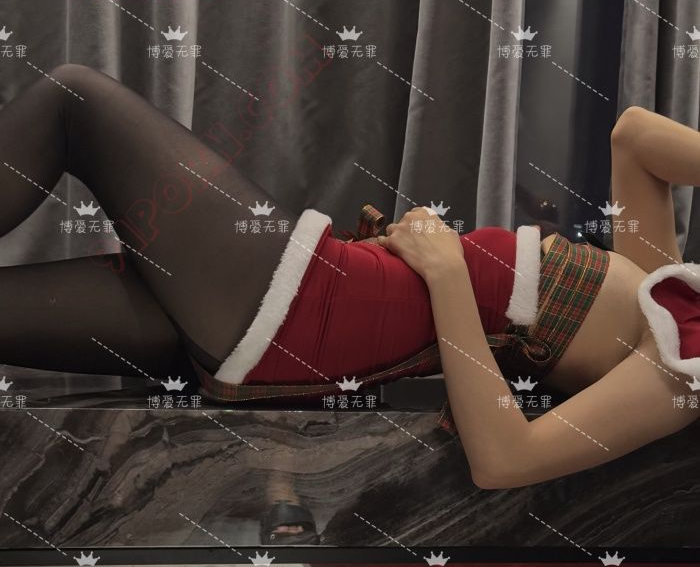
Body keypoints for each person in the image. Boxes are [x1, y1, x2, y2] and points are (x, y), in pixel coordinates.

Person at [0, 64, 697, 490]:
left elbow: (507, 460)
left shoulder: (688, 365)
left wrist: (448, 273)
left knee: (73, 100)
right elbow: (635, 137)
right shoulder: (671, 289)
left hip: (304, 306)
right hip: (301, 300)